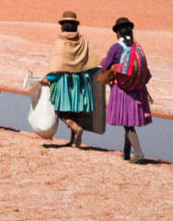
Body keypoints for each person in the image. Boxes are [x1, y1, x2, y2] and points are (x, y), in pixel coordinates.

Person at [100, 17, 152, 163]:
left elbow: (105, 67)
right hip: (137, 89)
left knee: (128, 124)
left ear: (117, 32)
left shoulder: (116, 48)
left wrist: (106, 64)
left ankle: (139, 153)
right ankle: (127, 153)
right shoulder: (137, 47)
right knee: (128, 122)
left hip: (123, 90)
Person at [39, 11, 95, 146]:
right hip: (81, 80)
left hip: (65, 81)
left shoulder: (61, 42)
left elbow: (59, 65)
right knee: (74, 110)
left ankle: (76, 128)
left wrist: (49, 78)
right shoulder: (83, 42)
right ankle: (73, 140)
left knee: (61, 111)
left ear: (63, 27)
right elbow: (88, 61)